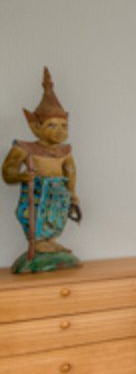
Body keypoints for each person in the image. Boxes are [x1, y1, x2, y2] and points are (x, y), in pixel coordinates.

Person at [2, 68, 82, 272]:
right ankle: (37, 243)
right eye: (52, 125)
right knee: (34, 215)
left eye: (63, 126)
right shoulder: (24, 148)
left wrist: (72, 195)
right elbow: (7, 172)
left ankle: (49, 242)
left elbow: (70, 173)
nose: (60, 131)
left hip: (59, 192)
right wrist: (22, 176)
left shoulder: (65, 151)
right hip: (38, 192)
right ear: (36, 127)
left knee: (56, 216)